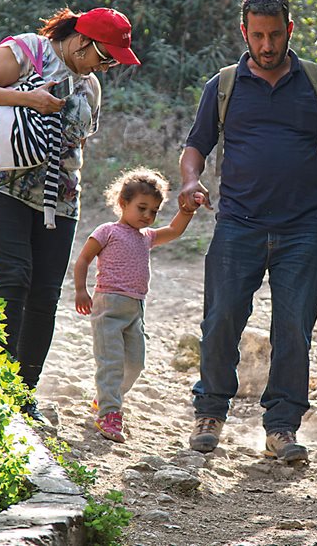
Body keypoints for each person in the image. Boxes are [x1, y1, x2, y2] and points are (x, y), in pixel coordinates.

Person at [178, 0, 317, 462]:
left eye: (275, 34)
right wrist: (190, 181)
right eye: (257, 35)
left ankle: (281, 427)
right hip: (239, 224)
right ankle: (210, 412)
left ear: (289, 30)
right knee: (220, 320)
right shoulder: (224, 85)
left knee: (294, 329)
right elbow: (196, 147)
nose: (267, 44)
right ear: (245, 33)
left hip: (301, 227)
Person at [0, 6, 140, 422]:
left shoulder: (91, 86)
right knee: (14, 279)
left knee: (46, 295)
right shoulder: (27, 50)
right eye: (105, 57)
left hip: (58, 200)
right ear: (82, 41)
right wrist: (27, 99)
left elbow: (77, 144)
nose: (107, 66)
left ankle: (22, 396)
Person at [74, 167, 203, 443]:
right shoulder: (107, 231)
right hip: (107, 307)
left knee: (135, 363)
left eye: (154, 211)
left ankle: (105, 399)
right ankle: (109, 412)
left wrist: (188, 210)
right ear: (123, 203)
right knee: (110, 363)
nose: (147, 216)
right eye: (141, 208)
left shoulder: (147, 237)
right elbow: (83, 259)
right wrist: (80, 291)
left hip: (135, 310)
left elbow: (175, 230)